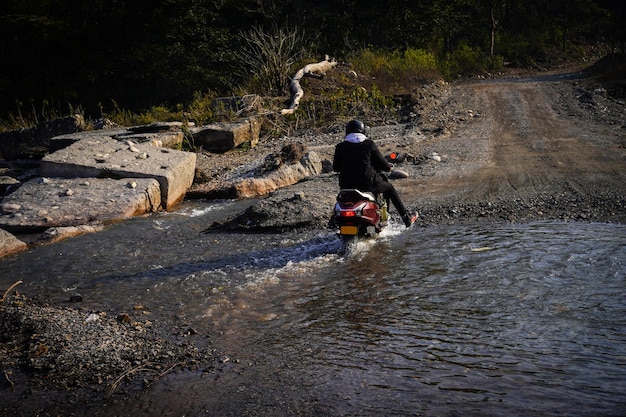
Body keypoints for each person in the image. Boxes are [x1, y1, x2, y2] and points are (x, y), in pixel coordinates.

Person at [333, 119, 418, 227]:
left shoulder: (340, 146)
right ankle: (406, 219)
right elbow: (384, 165)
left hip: (346, 186)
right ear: (363, 131)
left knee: (341, 200)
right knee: (390, 189)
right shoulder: (369, 144)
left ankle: (332, 224)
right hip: (367, 184)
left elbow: (335, 168)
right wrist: (389, 167)